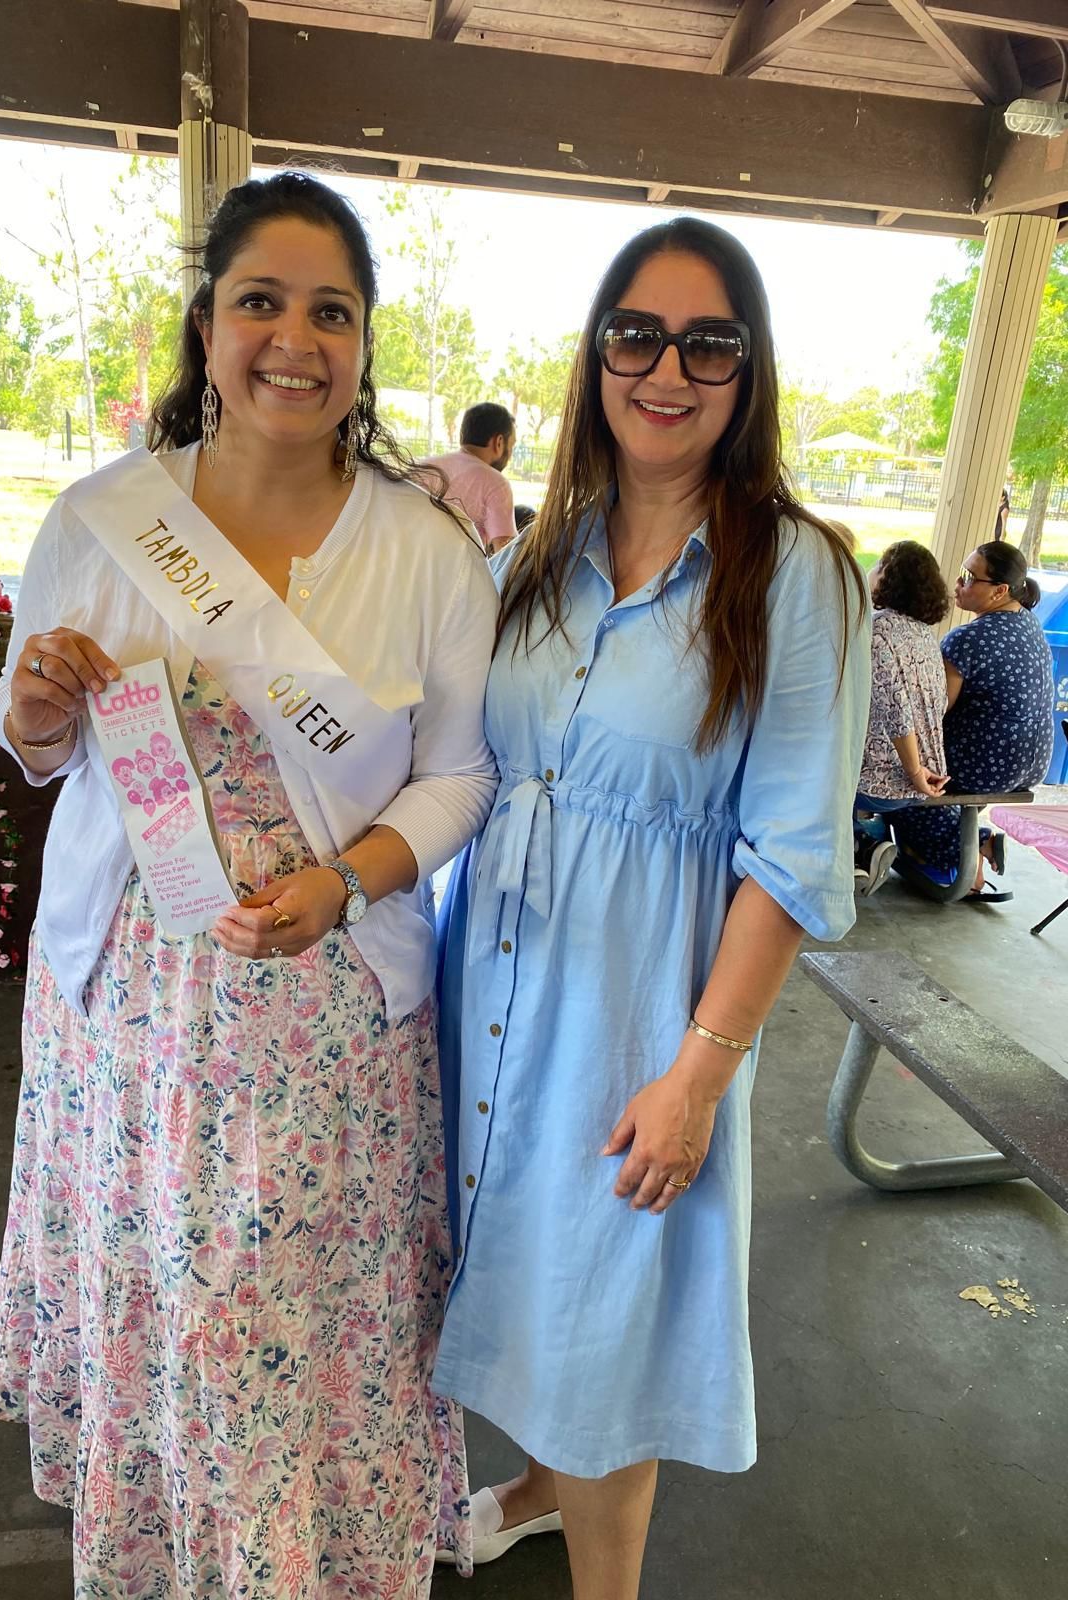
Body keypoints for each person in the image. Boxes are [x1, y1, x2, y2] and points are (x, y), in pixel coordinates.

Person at [0, 172, 498, 1598]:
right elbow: (32, 751)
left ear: (364, 344)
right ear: (207, 326)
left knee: (296, 1315)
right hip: (130, 1016)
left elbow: (460, 777)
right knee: (167, 1302)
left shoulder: (427, 554)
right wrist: (38, 711)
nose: (295, 338)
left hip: (327, 1015)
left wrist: (348, 883)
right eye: (260, 301)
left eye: (331, 311)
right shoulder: (99, 521)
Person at [433, 219, 869, 1598]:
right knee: (519, 1274)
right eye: (637, 333)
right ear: (595, 357)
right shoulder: (533, 557)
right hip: (487, 982)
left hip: (637, 1011)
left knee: (605, 1313)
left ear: (750, 374)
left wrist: (701, 1072)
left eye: (708, 342)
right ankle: (545, 1486)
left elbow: (791, 855)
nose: (666, 368)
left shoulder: (796, 575)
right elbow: (461, 764)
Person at [891, 540, 1054, 900]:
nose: (958, 584)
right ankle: (974, 846)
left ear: (998, 591)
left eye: (968, 577)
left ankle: (969, 853)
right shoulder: (1029, 624)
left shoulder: (968, 638)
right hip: (1033, 764)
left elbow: (933, 712)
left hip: (988, 766)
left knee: (896, 780)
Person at [853, 540, 949, 895]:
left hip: (886, 782)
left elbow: (897, 713)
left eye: (878, 565)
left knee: (818, 773)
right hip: (928, 776)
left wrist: (912, 770)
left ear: (889, 578)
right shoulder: (925, 635)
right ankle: (867, 842)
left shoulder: (875, 632)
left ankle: (858, 849)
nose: (871, 571)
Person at [420, 401, 519, 552]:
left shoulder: (423, 467)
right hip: (456, 573)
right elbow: (506, 553)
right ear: (499, 442)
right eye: (511, 446)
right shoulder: (496, 483)